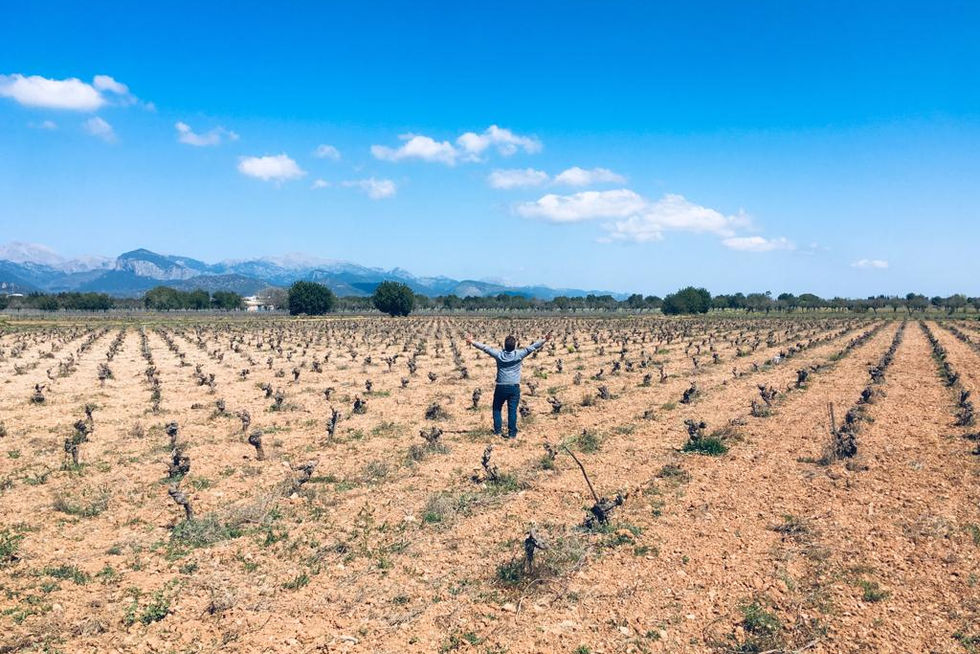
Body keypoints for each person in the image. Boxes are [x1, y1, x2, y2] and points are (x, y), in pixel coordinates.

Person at [465, 331, 552, 438]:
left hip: (501, 387)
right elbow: (532, 347)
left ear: (504, 345)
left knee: (497, 409)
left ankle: (497, 432)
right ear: (514, 346)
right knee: (512, 411)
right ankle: (512, 434)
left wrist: (472, 341)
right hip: (514, 387)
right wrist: (545, 339)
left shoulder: (499, 355)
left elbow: (485, 348)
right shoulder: (519, 354)